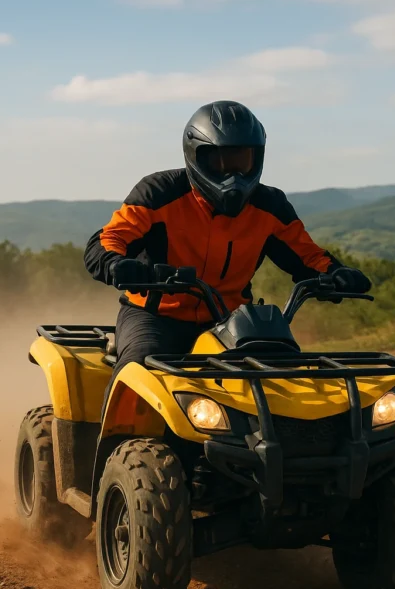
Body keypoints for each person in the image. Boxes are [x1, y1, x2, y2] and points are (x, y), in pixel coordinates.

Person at [85, 100, 371, 388]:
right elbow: (110, 238)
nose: (232, 174)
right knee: (138, 374)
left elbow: (307, 255)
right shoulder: (159, 193)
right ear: (195, 156)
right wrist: (116, 264)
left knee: (285, 377)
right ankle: (116, 435)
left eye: (241, 161)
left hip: (232, 320)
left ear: (257, 158)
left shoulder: (270, 205)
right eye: (219, 161)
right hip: (156, 317)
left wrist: (336, 273)